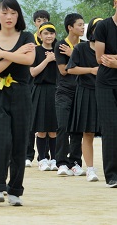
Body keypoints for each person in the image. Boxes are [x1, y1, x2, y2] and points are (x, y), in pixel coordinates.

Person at [0, 0, 35, 206]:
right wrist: (13, 54)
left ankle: (15, 190)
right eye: (4, 12)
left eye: (13, 13)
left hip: (22, 93)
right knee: (1, 139)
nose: (9, 17)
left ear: (18, 15)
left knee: (19, 142)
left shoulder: (27, 36)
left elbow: (29, 60)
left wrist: (3, 54)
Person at [67, 17, 102, 182]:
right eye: (96, 28)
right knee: (87, 132)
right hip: (86, 92)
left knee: (110, 133)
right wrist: (91, 70)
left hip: (106, 92)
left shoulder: (109, 48)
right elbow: (71, 69)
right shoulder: (81, 48)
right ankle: (90, 169)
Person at [54, 13, 85, 177]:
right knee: (63, 126)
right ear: (70, 27)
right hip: (64, 91)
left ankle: (75, 162)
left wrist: (73, 53)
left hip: (81, 91)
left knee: (77, 129)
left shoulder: (84, 45)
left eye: (83, 24)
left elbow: (89, 65)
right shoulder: (60, 45)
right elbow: (63, 71)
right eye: (79, 24)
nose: (82, 27)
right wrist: (76, 56)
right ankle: (61, 163)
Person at [94, 0, 117, 188]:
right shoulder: (103, 26)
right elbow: (100, 58)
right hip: (106, 84)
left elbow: (112, 60)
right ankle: (112, 175)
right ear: (115, 3)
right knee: (110, 128)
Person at [30, 22, 58, 171]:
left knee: (53, 129)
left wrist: (56, 58)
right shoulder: (36, 51)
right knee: (41, 128)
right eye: (46, 33)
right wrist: (47, 60)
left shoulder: (59, 50)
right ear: (40, 35)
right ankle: (42, 158)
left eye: (52, 33)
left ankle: (54, 158)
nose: (49, 36)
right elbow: (33, 72)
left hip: (55, 89)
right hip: (40, 90)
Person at [26, 9, 53, 166]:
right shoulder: (31, 43)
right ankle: (28, 154)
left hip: (47, 87)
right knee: (32, 122)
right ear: (35, 23)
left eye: (44, 19)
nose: (41, 22)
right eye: (38, 20)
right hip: (30, 85)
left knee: (48, 122)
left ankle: (47, 155)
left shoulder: (54, 44)